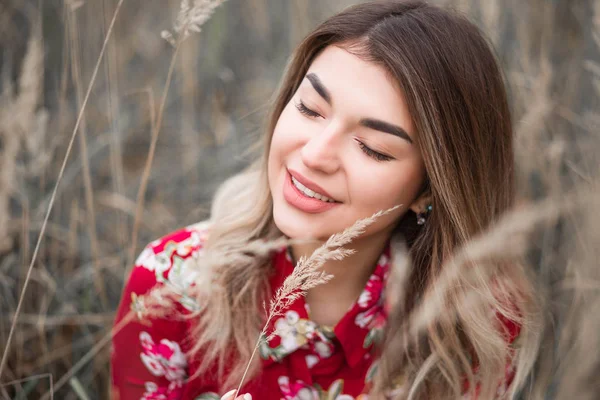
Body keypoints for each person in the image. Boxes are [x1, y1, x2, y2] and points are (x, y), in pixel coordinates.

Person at [111, 1, 538, 399]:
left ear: (430, 189)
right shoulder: (172, 286)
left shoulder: (477, 327)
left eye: (372, 147)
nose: (315, 154)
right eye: (311, 109)